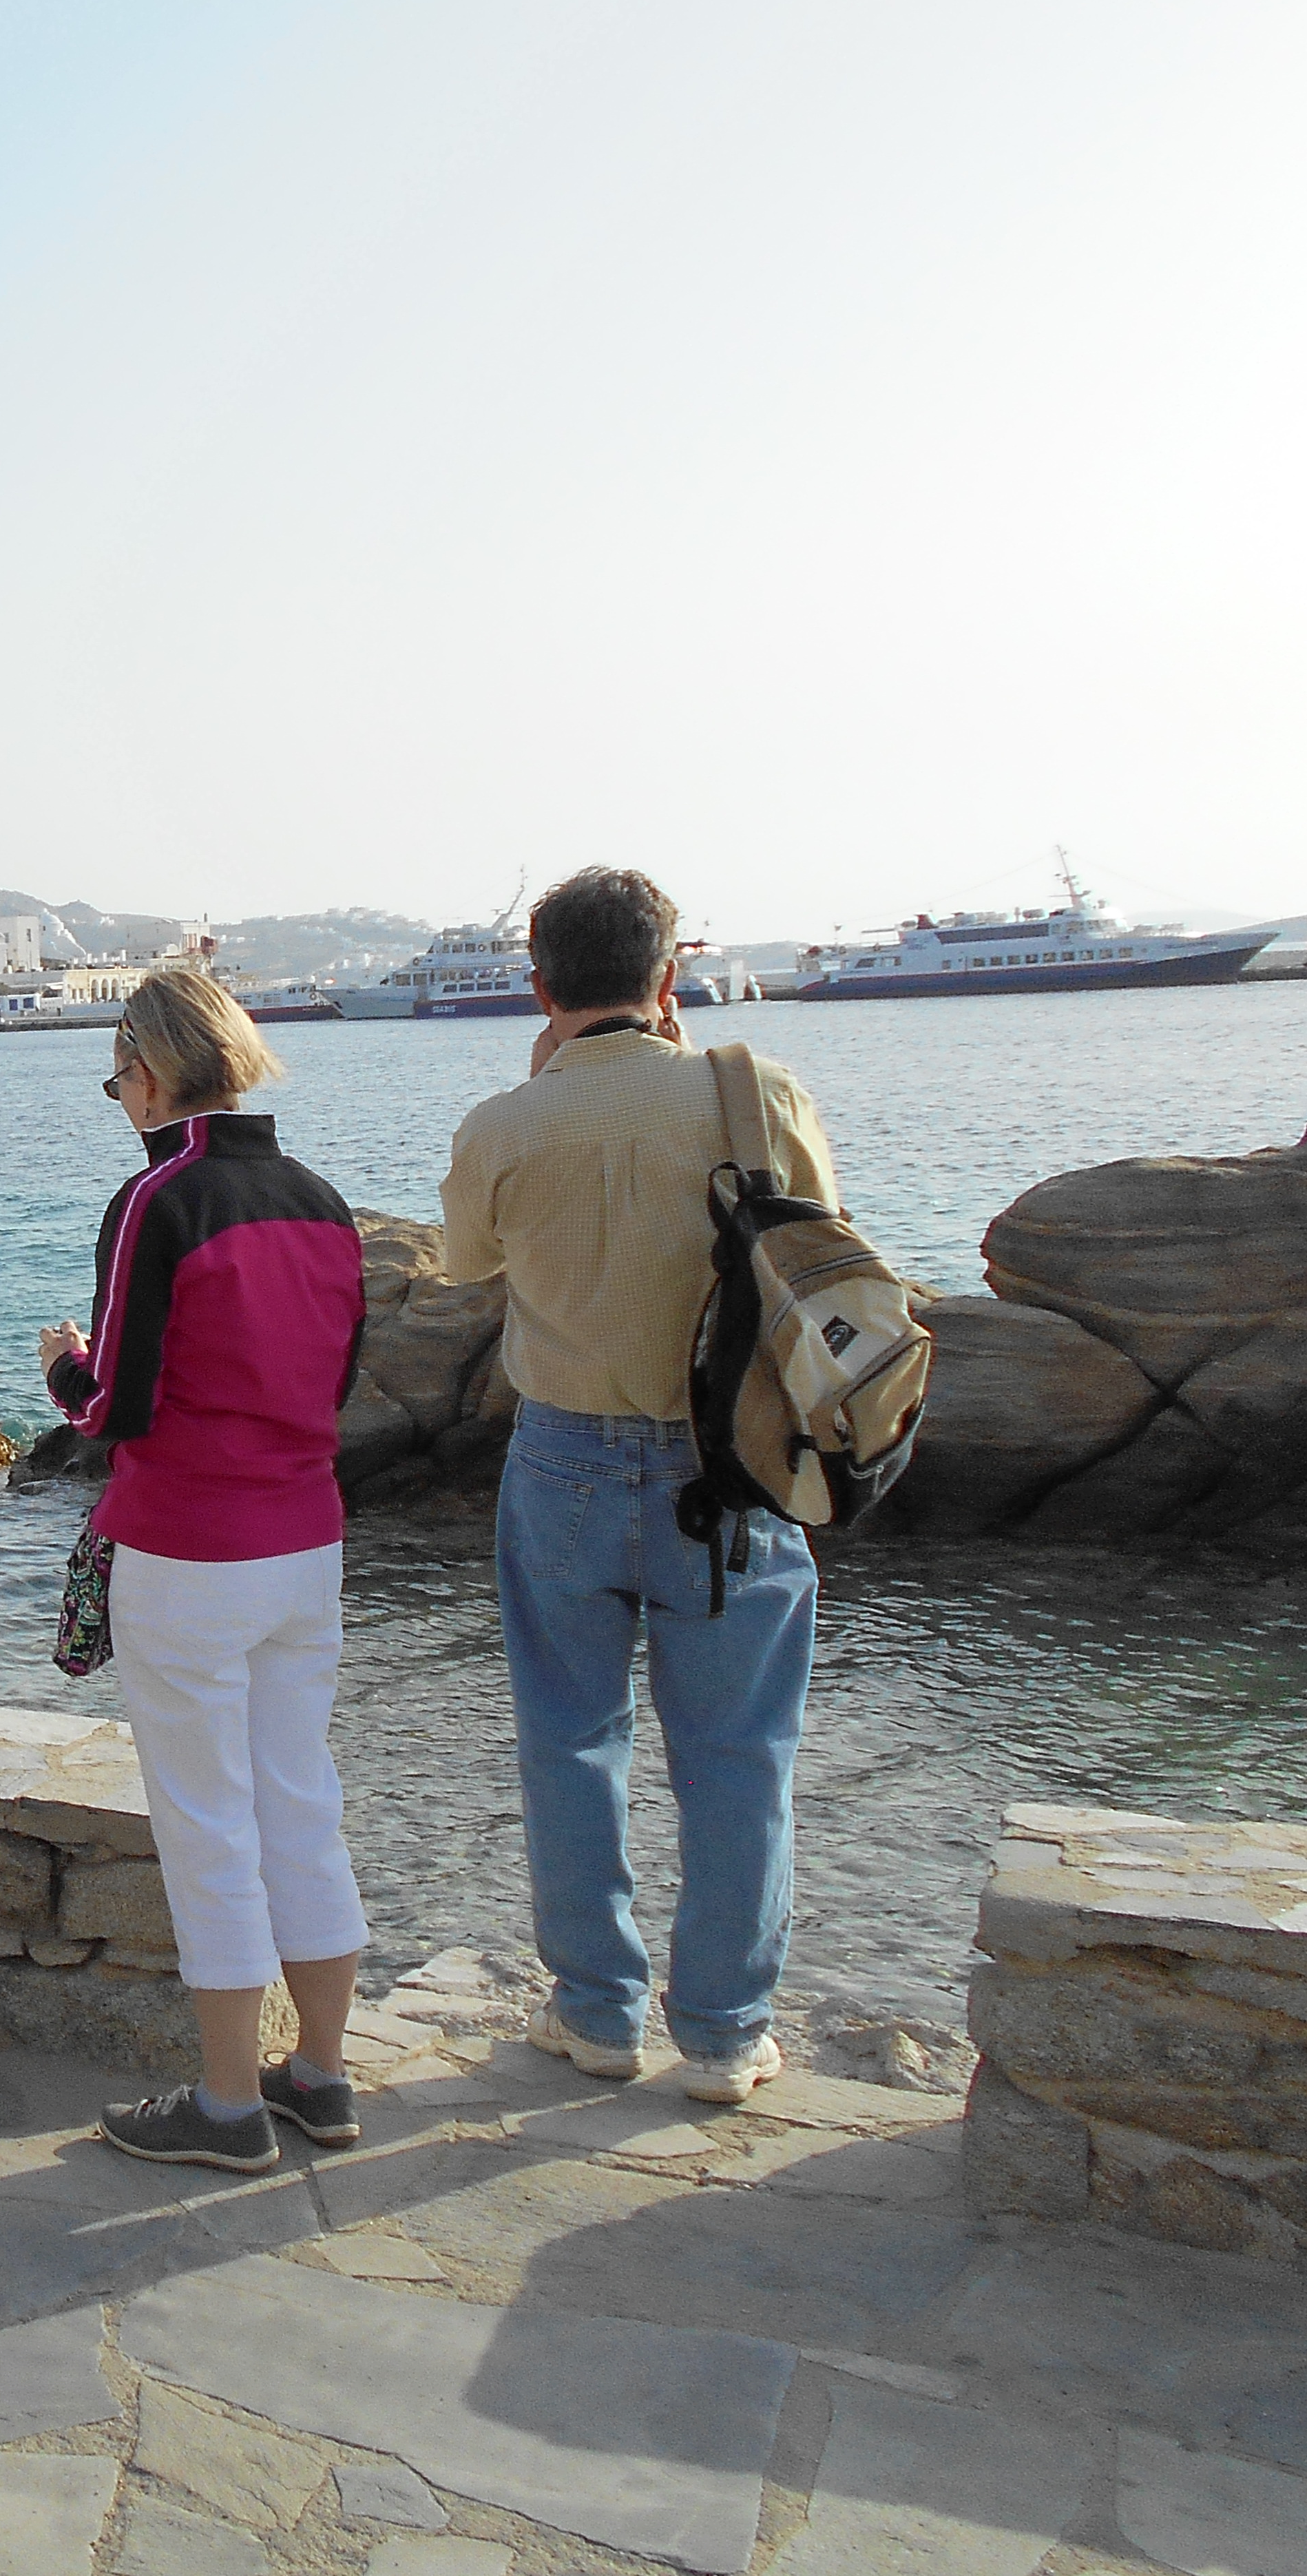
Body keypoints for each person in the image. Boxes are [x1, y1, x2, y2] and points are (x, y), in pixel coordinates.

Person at [441, 866, 841, 2104]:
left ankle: (597, 2013)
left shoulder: (503, 1125)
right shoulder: (756, 1093)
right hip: (730, 1467)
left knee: (569, 1743)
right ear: (669, 977)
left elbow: (464, 1262)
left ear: (539, 986)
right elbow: (822, 1242)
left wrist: (542, 1085)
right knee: (738, 1756)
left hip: (562, 1459)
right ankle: (722, 2034)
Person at [37, 967, 374, 2175]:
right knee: (300, 1800)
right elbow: (337, 1383)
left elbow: (114, 1407)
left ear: (149, 1070)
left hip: (188, 1546)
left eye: (117, 1078)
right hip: (305, 1542)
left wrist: (61, 1367)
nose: (120, 1099)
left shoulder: (157, 1197)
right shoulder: (322, 1200)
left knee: (207, 1823)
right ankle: (320, 2072)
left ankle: (229, 2104)